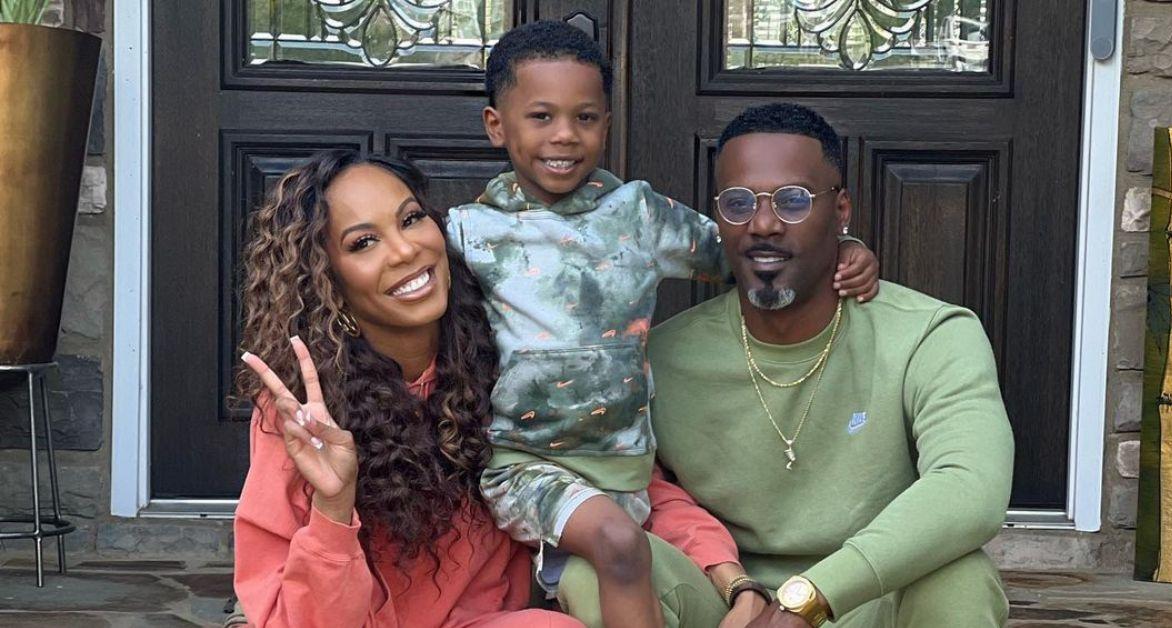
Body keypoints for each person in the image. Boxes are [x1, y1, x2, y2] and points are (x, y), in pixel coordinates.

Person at [445, 21, 880, 628]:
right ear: (498, 125)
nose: (565, 136)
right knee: (619, 547)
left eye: (586, 117)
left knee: (626, 570)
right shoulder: (469, 233)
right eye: (541, 117)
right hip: (523, 463)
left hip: (626, 466)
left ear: (606, 122)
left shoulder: (639, 215)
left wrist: (845, 244)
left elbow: (746, 251)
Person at [642, 103, 1014, 627]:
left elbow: (971, 488)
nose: (764, 223)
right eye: (739, 202)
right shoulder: (664, 355)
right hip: (730, 604)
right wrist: (740, 588)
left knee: (961, 576)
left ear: (841, 212)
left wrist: (811, 598)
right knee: (601, 567)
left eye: (793, 201)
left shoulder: (929, 334)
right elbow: (637, 491)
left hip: (869, 598)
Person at [231, 150, 584, 628]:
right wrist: (334, 506)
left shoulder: (509, 356)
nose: (404, 251)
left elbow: (620, 471)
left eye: (411, 219)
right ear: (328, 283)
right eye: (363, 243)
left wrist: (720, 570)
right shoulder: (302, 411)